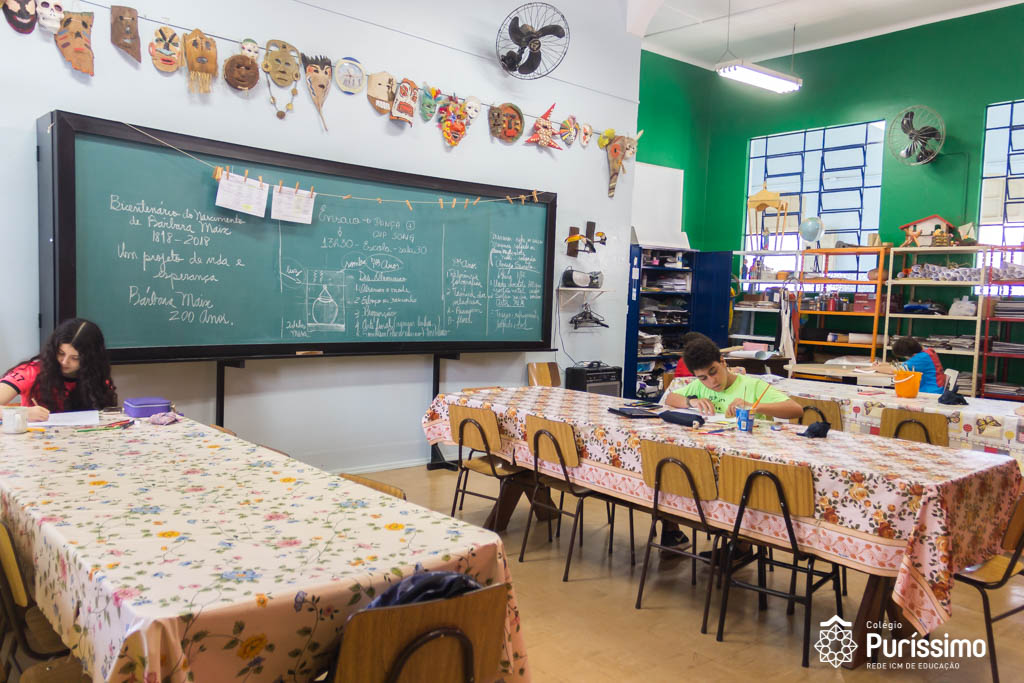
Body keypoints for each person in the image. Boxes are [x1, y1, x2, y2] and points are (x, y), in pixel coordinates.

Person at [0, 319, 117, 422]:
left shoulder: (96, 377)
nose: (65, 362)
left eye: (75, 358)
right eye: (61, 353)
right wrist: (23, 413)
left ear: (90, 359)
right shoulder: (30, 372)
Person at [665, 336, 802, 419]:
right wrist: (692, 402)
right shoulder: (699, 385)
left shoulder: (753, 385)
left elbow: (796, 409)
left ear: (722, 362)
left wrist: (753, 407)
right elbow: (670, 398)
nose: (712, 381)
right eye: (703, 378)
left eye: (713, 372)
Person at [873, 337, 944, 394]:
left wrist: (873, 368)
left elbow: (894, 370)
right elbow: (902, 365)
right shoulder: (927, 352)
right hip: (934, 388)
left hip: (931, 392)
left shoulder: (921, 357)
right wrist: (884, 364)